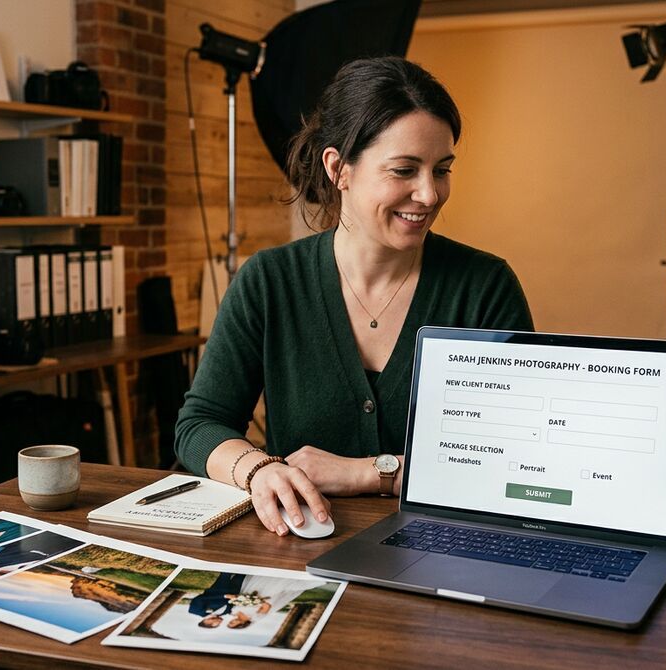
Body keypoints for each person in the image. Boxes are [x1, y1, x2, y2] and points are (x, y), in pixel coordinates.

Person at [175, 57, 534, 536]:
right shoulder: (269, 280)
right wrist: (259, 470)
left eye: (441, 169)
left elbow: (520, 461)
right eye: (404, 170)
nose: (429, 194)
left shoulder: (485, 286)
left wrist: (368, 473)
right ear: (338, 168)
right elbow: (200, 424)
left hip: (449, 553)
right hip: (299, 553)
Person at [224, 575, 328, 630]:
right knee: (282, 582)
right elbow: (266, 606)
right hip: (264, 595)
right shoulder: (255, 617)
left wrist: (241, 598)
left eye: (230, 622)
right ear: (241, 624)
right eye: (233, 623)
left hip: (250, 588)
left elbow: (235, 599)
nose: (232, 621)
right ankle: (319, 578)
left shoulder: (233, 611)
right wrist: (252, 600)